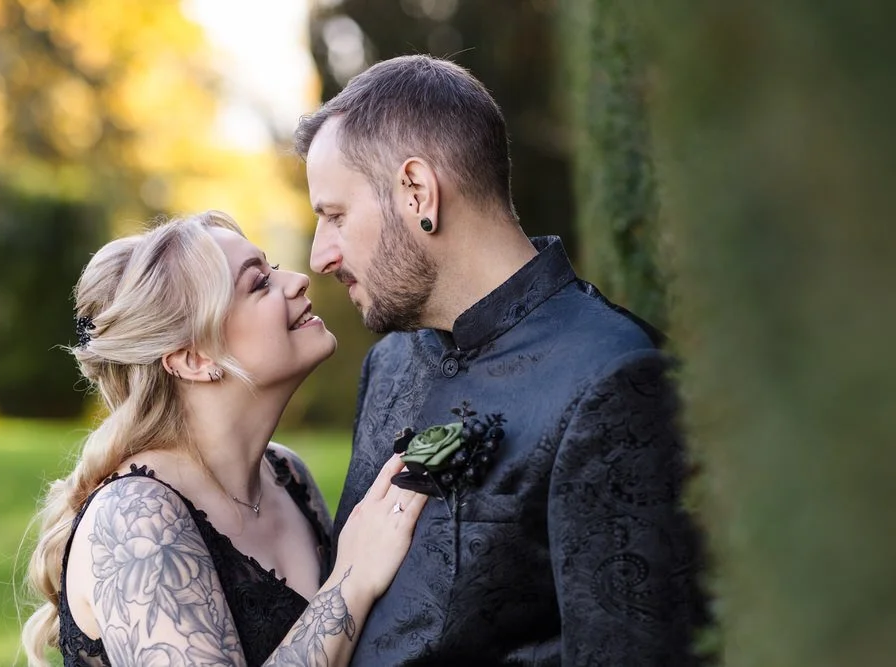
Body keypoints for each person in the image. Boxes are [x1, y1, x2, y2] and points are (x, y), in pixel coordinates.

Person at [294, 55, 708, 665]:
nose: (319, 255)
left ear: (418, 192)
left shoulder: (616, 379)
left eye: (334, 215)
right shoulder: (389, 365)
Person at [21, 210, 426, 667]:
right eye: (259, 283)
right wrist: (351, 579)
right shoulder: (135, 519)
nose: (297, 280)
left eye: (272, 268)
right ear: (194, 358)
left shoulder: (286, 475)